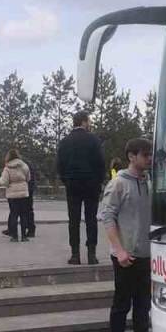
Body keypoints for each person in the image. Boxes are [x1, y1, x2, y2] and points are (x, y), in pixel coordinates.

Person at [100, 137, 155, 332]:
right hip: (125, 256)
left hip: (146, 254)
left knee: (143, 306)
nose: (149, 159)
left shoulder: (149, 182)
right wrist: (119, 250)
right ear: (132, 156)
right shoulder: (118, 184)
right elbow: (107, 216)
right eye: (144, 154)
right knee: (121, 306)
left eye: (150, 154)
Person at [57, 111, 105, 265]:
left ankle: (75, 254)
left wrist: (67, 180)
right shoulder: (94, 140)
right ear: (84, 122)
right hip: (91, 184)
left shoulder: (64, 142)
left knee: (74, 220)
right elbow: (100, 163)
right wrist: (98, 181)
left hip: (73, 184)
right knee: (91, 219)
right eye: (89, 121)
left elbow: (59, 165)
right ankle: (92, 254)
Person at [0, 151, 31, 242]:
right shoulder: (24, 165)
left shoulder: (7, 168)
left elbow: (4, 182)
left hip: (12, 194)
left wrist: (0, 180)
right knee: (23, 215)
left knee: (14, 214)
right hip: (23, 193)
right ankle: (24, 236)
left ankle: (14, 236)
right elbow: (28, 178)